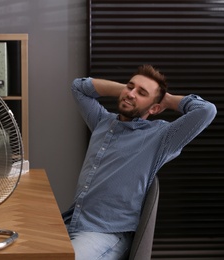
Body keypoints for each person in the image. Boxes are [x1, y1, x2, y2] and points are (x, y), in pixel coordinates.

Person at [62, 65, 217, 260]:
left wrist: (165, 99)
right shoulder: (103, 121)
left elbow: (206, 111)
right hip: (71, 221)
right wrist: (128, 92)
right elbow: (79, 87)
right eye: (130, 86)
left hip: (105, 233)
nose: (131, 93)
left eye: (142, 92)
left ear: (155, 108)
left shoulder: (160, 137)